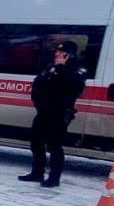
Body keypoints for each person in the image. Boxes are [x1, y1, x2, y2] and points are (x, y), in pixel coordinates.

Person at [19, 40, 87, 188]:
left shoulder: (76, 70)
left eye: (61, 52)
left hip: (59, 113)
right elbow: (38, 84)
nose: (56, 54)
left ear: (69, 55)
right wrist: (38, 102)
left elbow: (76, 87)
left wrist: (61, 68)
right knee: (36, 143)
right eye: (56, 52)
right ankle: (37, 172)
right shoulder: (51, 68)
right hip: (43, 111)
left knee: (54, 146)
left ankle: (54, 178)